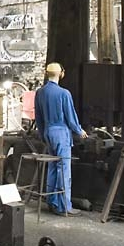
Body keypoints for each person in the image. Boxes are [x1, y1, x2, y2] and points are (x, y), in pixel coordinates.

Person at [34, 62, 88, 216]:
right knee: (64, 169)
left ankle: (51, 202)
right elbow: (70, 117)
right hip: (61, 133)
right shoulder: (64, 93)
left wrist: (42, 133)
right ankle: (64, 206)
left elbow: (38, 117)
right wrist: (79, 130)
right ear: (60, 73)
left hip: (48, 133)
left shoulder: (40, 92)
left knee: (52, 167)